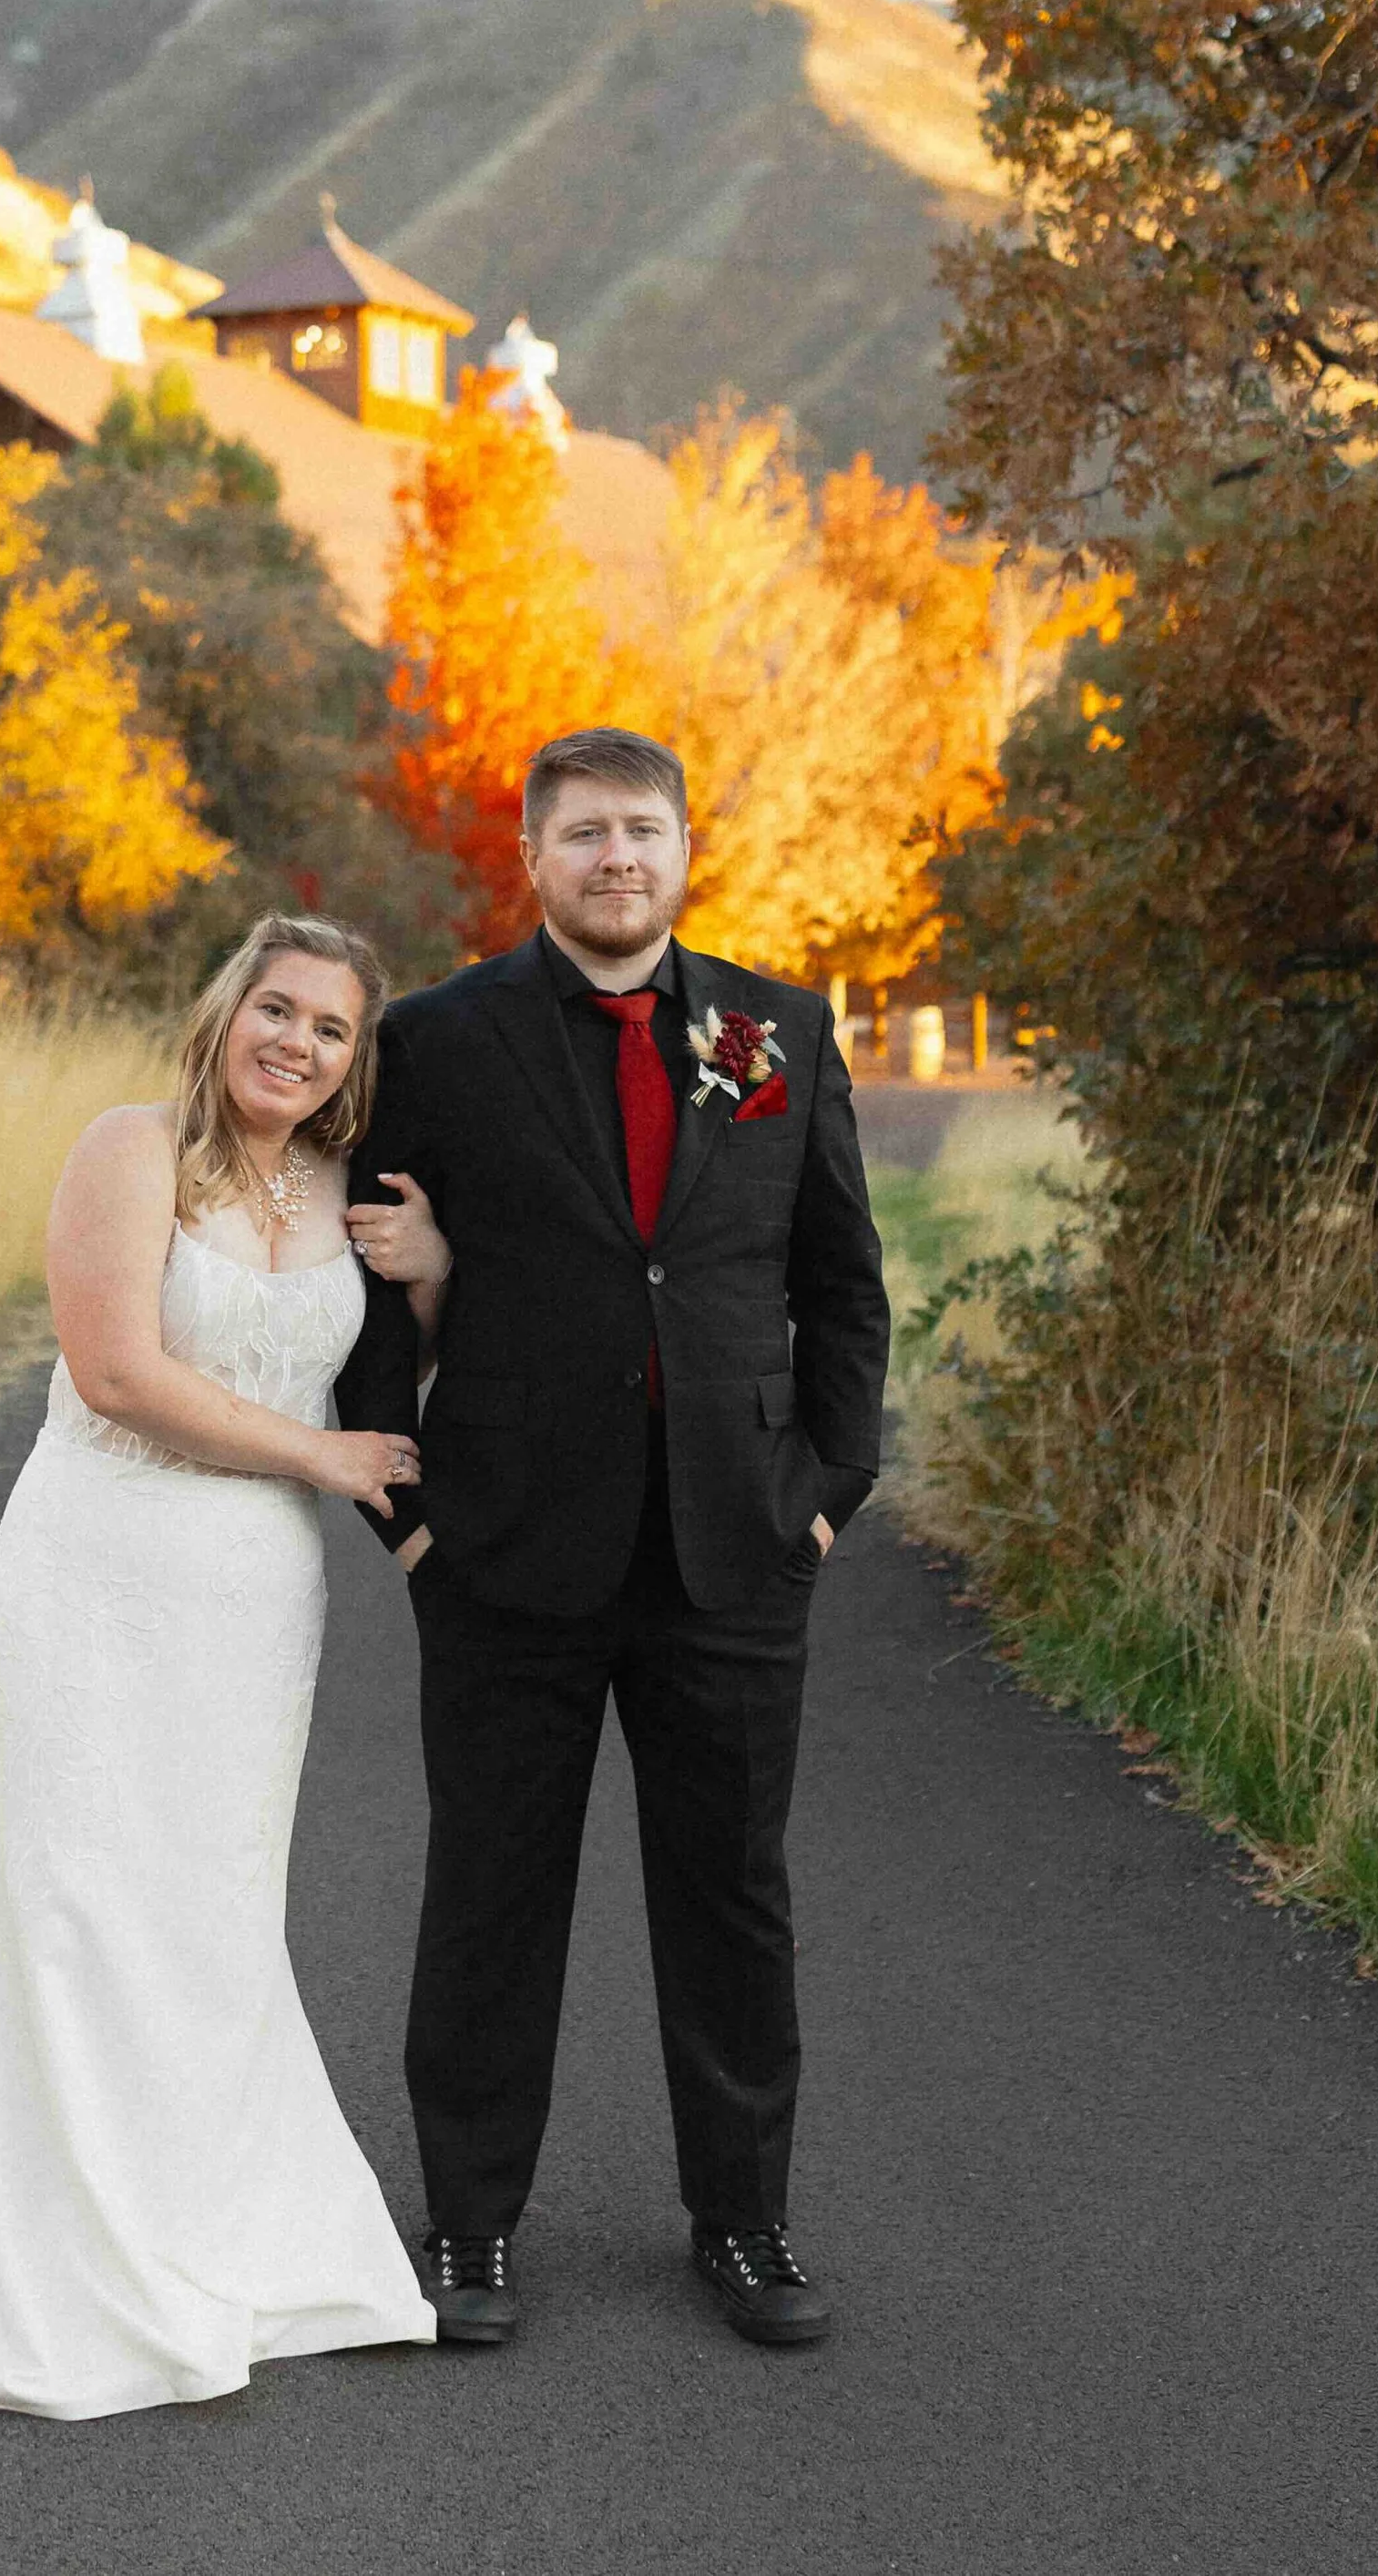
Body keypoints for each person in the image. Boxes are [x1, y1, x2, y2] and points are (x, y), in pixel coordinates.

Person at [0, 914, 437, 2418]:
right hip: (97, 1569)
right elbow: (118, 1371)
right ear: (228, 1012)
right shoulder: (132, 1148)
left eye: (331, 1027)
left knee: (209, 1903)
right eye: (274, 1008)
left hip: (254, 1601)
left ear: (356, 1063)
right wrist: (325, 1456)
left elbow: (414, 1374)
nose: (296, 1041)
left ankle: (201, 2224)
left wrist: (430, 1279)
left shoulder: (344, 1190)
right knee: (72, 1891)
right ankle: (53, 2250)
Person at [340, 727, 890, 2351]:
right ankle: (469, 2228)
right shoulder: (436, 1040)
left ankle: (744, 2222)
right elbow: (375, 1291)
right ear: (533, 856)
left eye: (641, 830)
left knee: (730, 1894)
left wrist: (827, 1489)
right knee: (491, 1895)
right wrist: (414, 1526)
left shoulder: (777, 1029)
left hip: (733, 1548)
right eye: (582, 835)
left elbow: (842, 1284)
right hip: (506, 1555)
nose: (615, 859)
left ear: (684, 844)